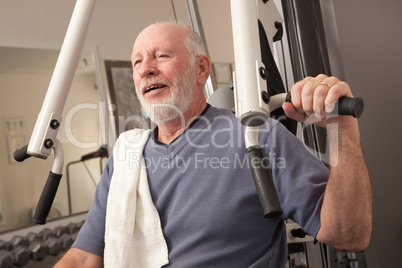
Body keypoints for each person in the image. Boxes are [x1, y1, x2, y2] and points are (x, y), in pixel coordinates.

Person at [55, 21, 372, 267]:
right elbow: (85, 257)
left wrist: (341, 129)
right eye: (137, 62)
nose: (145, 69)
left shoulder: (257, 136)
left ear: (201, 69)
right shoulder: (125, 159)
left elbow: (349, 233)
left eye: (161, 56)